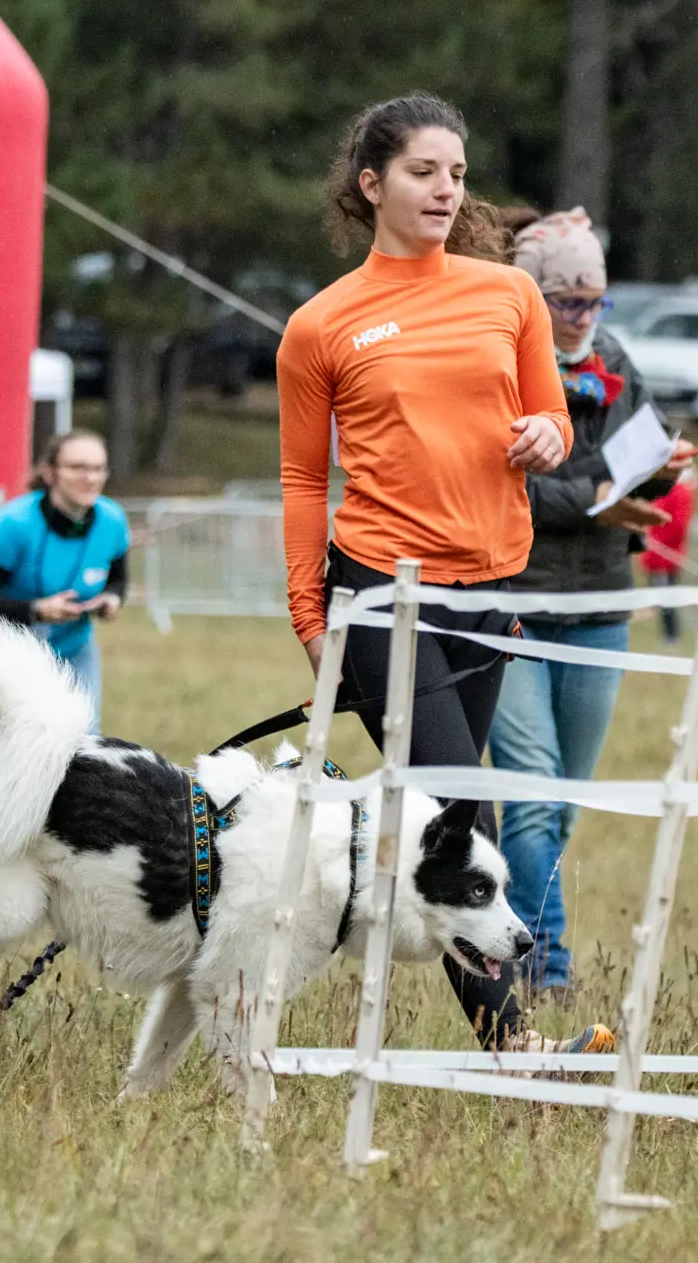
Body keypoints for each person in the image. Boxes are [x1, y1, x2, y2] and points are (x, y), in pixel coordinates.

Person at [278, 91, 576, 1053]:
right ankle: (516, 1044)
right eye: (422, 171)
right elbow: (300, 475)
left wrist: (547, 434)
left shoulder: (508, 295)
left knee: (442, 823)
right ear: (372, 185)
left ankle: (322, 945)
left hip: (490, 591)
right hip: (379, 593)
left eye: (456, 172)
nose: (446, 188)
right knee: (465, 809)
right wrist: (309, 610)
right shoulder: (322, 325)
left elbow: (554, 422)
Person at [485, 207, 696, 1009]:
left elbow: (640, 449)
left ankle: (508, 927)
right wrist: (597, 495)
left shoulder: (613, 357)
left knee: (561, 802)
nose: (581, 318)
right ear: (531, 296)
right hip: (519, 602)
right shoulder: (500, 359)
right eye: (566, 302)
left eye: (593, 301)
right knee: (532, 792)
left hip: (603, 603)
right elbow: (510, 482)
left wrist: (663, 471)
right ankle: (548, 968)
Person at [0, 429, 128, 732]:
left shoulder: (112, 521)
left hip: (72, 647)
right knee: (10, 741)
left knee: (81, 740)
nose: (90, 478)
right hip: (6, 649)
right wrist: (36, 609)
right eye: (78, 467)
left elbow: (118, 580)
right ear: (50, 473)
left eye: (98, 468)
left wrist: (110, 601)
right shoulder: (15, 523)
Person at [643, 469, 696, 646]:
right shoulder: (666, 490)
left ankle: (671, 636)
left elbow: (677, 525)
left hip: (666, 558)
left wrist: (660, 543)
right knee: (661, 598)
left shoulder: (680, 492)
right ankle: (669, 635)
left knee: (667, 599)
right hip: (658, 556)